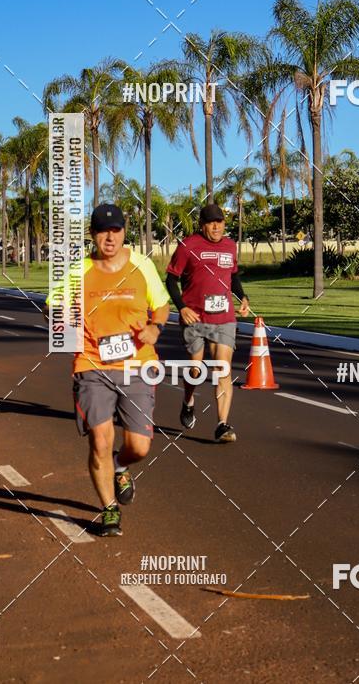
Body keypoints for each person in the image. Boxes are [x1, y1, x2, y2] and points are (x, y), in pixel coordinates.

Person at [45, 204, 170, 537]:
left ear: (124, 232)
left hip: (137, 364)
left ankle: (120, 465)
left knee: (140, 446)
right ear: (93, 234)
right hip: (91, 363)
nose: (110, 236)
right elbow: (52, 308)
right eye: (102, 230)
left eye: (115, 230)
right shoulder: (78, 270)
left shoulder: (141, 265)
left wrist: (155, 327)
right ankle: (109, 509)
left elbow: (161, 304)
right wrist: (61, 316)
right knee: (100, 439)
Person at [165, 203, 249, 443]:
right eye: (211, 222)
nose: (216, 226)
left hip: (224, 317)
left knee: (223, 368)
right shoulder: (187, 246)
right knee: (196, 369)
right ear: (202, 225)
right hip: (195, 317)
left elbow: (233, 275)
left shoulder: (230, 246)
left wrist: (241, 296)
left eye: (220, 222)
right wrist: (182, 308)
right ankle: (188, 401)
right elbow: (171, 280)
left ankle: (222, 424)